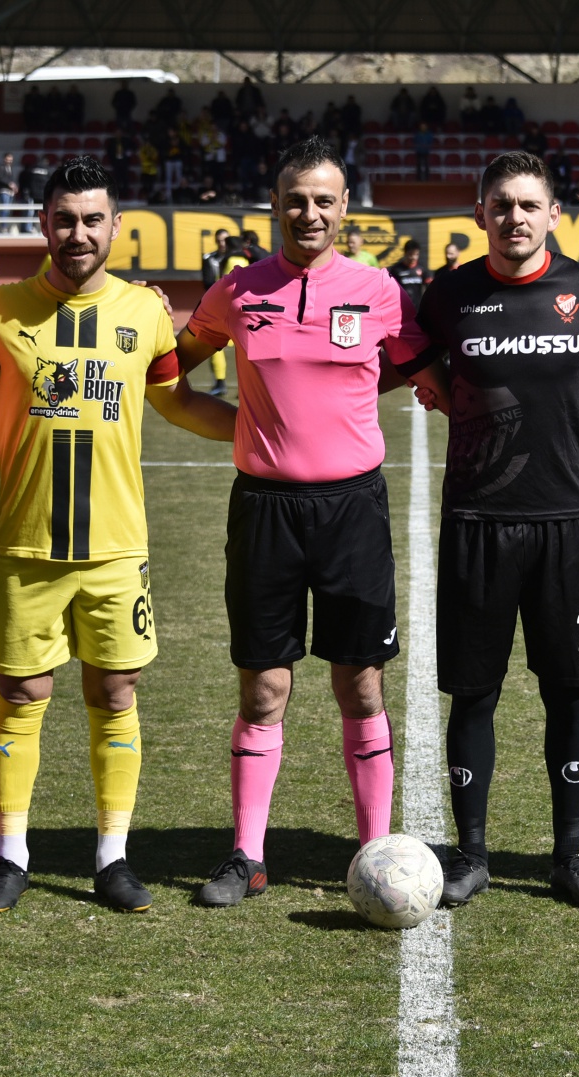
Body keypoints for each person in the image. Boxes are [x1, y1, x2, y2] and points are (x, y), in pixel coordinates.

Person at [171, 137, 447, 908]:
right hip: (264, 510)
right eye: (296, 199)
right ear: (274, 207)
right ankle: (247, 855)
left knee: (359, 684)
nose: (310, 212)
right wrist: (227, 426)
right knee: (264, 687)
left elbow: (420, 370)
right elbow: (173, 371)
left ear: (345, 208)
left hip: (352, 509)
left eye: (324, 199)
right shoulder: (236, 291)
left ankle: (376, 850)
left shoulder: (380, 290)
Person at [0, 156, 236, 914]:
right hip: (26, 544)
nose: (77, 232)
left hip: (118, 548)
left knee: (115, 692)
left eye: (92, 220)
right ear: (43, 223)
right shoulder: (2, 310)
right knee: (21, 692)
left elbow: (177, 401)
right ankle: (11, 855)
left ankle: (112, 856)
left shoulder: (145, 312)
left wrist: (261, 432)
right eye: (63, 218)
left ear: (115, 226)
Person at [412, 152, 579, 909]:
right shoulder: (449, 295)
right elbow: (413, 361)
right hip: (477, 519)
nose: (515, 218)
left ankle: (569, 854)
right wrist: (447, 394)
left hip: (566, 521)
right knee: (474, 694)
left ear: (554, 215)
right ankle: (471, 853)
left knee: (570, 692)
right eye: (501, 205)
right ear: (480, 214)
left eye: (529, 205)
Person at [200, 229, 233, 396]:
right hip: (217, 308)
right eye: (219, 240)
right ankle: (220, 382)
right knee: (214, 345)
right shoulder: (209, 258)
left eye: (225, 240)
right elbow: (207, 282)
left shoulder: (239, 257)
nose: (222, 244)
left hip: (238, 308)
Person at [390, 239, 429, 306]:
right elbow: (391, 290)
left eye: (416, 254)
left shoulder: (422, 269)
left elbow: (428, 289)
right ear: (405, 253)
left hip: (418, 308)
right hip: (401, 307)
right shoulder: (396, 270)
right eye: (410, 254)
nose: (413, 257)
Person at [0, 152, 19, 228]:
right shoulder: (0, 167)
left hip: (10, 192)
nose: (9, 161)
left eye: (10, 160)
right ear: (4, 159)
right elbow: (0, 178)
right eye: (8, 159)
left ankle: (5, 225)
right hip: (3, 191)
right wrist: (9, 184)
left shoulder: (11, 168)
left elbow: (11, 179)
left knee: (8, 209)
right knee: (5, 208)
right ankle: (3, 226)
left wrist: (14, 186)